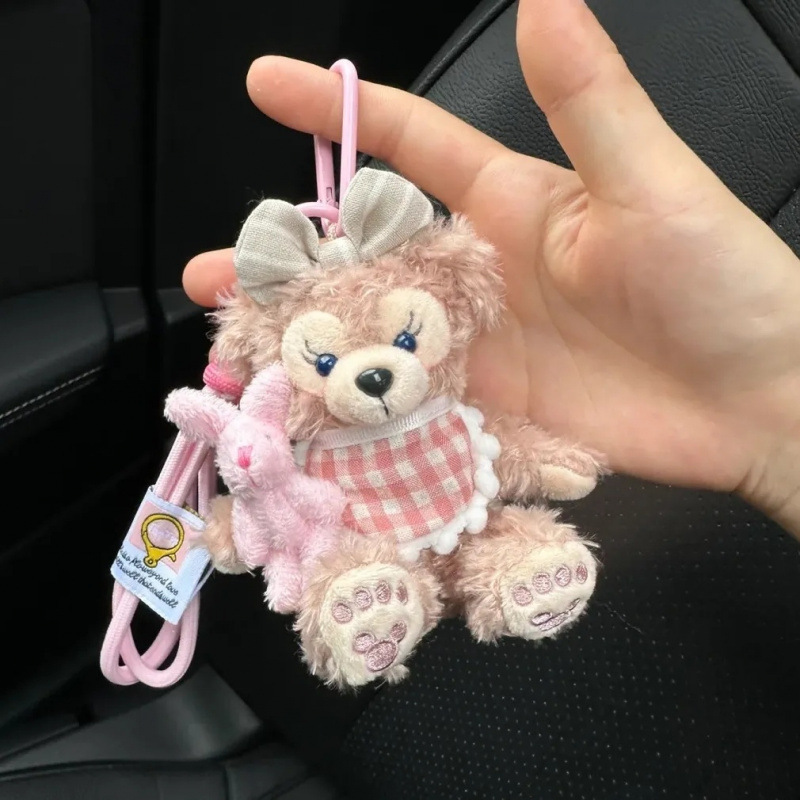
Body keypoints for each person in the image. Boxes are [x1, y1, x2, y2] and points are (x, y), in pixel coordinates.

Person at [182, 0, 800, 538]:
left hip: (461, 502)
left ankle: (515, 565)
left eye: (406, 339)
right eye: (322, 363)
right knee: (343, 564)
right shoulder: (322, 449)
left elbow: (503, 446)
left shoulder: (455, 417)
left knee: (503, 538)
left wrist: (779, 400)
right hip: (355, 536)